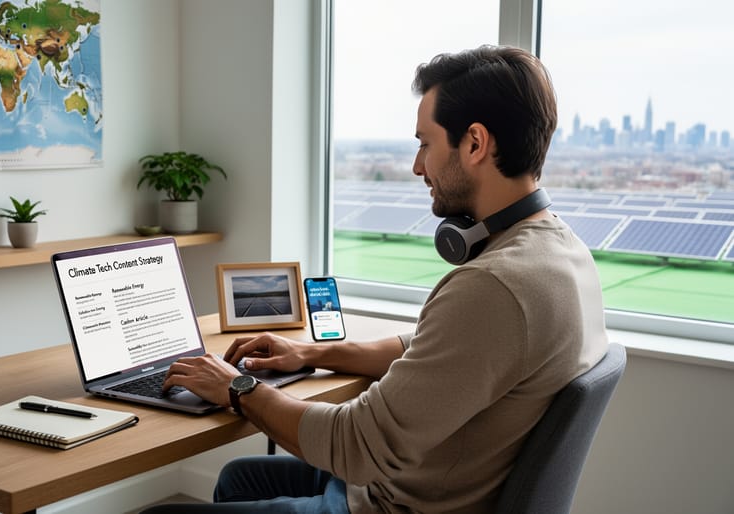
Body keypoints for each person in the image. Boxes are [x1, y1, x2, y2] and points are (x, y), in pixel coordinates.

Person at [143, 44, 608, 514]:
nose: (417, 166)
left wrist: (237, 388)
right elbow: (428, 347)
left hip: (394, 505)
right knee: (240, 476)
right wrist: (310, 352)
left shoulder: (495, 287)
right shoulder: (562, 253)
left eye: (425, 143)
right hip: (411, 486)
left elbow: (354, 447)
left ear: (474, 143)